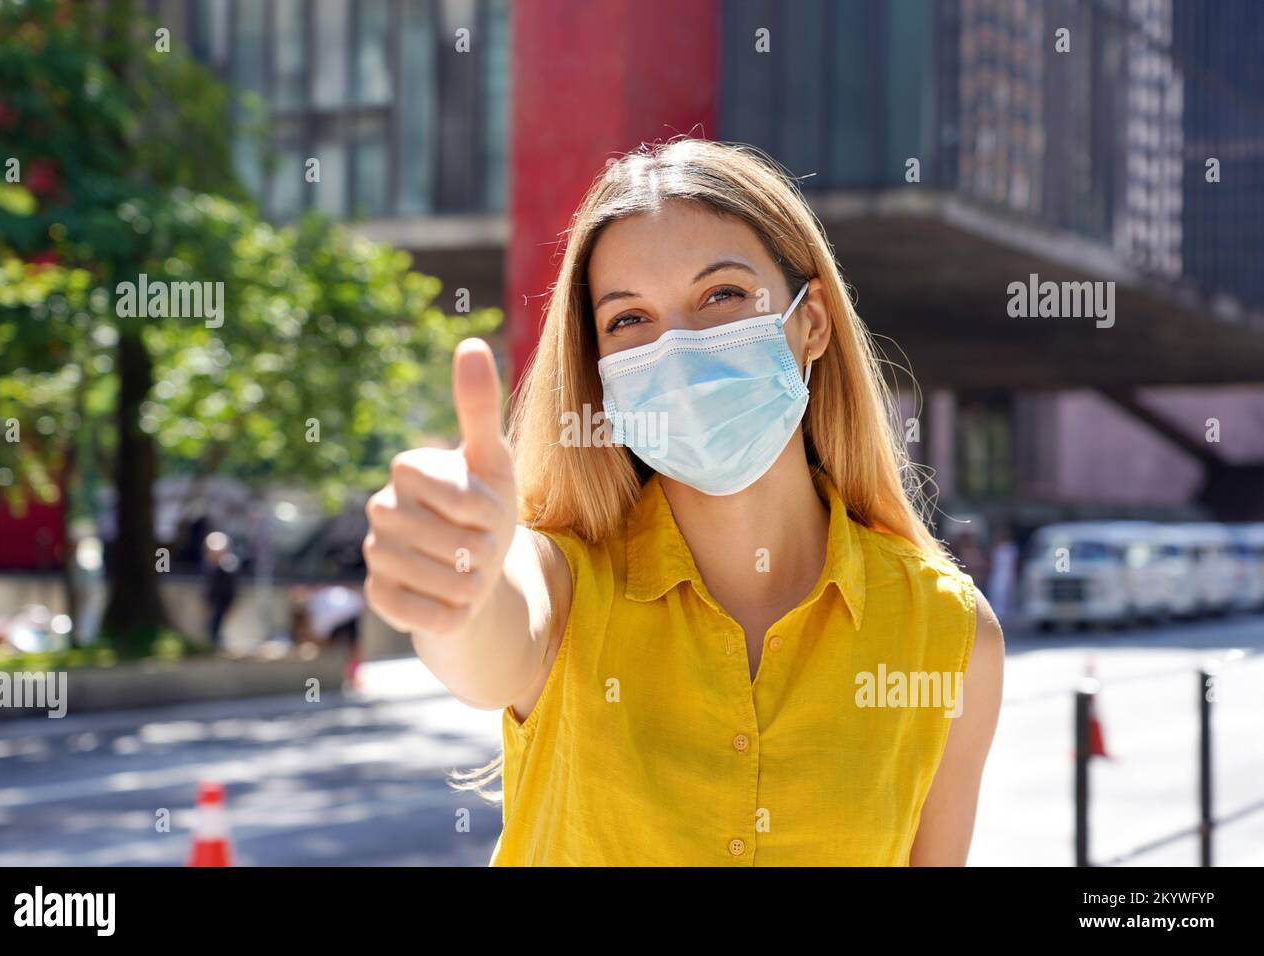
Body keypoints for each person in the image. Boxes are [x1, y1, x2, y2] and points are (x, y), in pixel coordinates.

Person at [364, 138, 1004, 866]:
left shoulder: (949, 635)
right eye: (628, 320)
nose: (679, 351)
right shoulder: (564, 583)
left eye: (722, 295)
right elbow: (488, 642)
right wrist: (456, 582)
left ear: (812, 322)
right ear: (600, 370)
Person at [201, 531, 239, 650]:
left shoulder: (228, 565)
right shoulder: (208, 566)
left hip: (223, 599)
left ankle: (214, 641)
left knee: (217, 622)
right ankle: (212, 641)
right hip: (213, 598)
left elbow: (230, 587)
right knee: (212, 622)